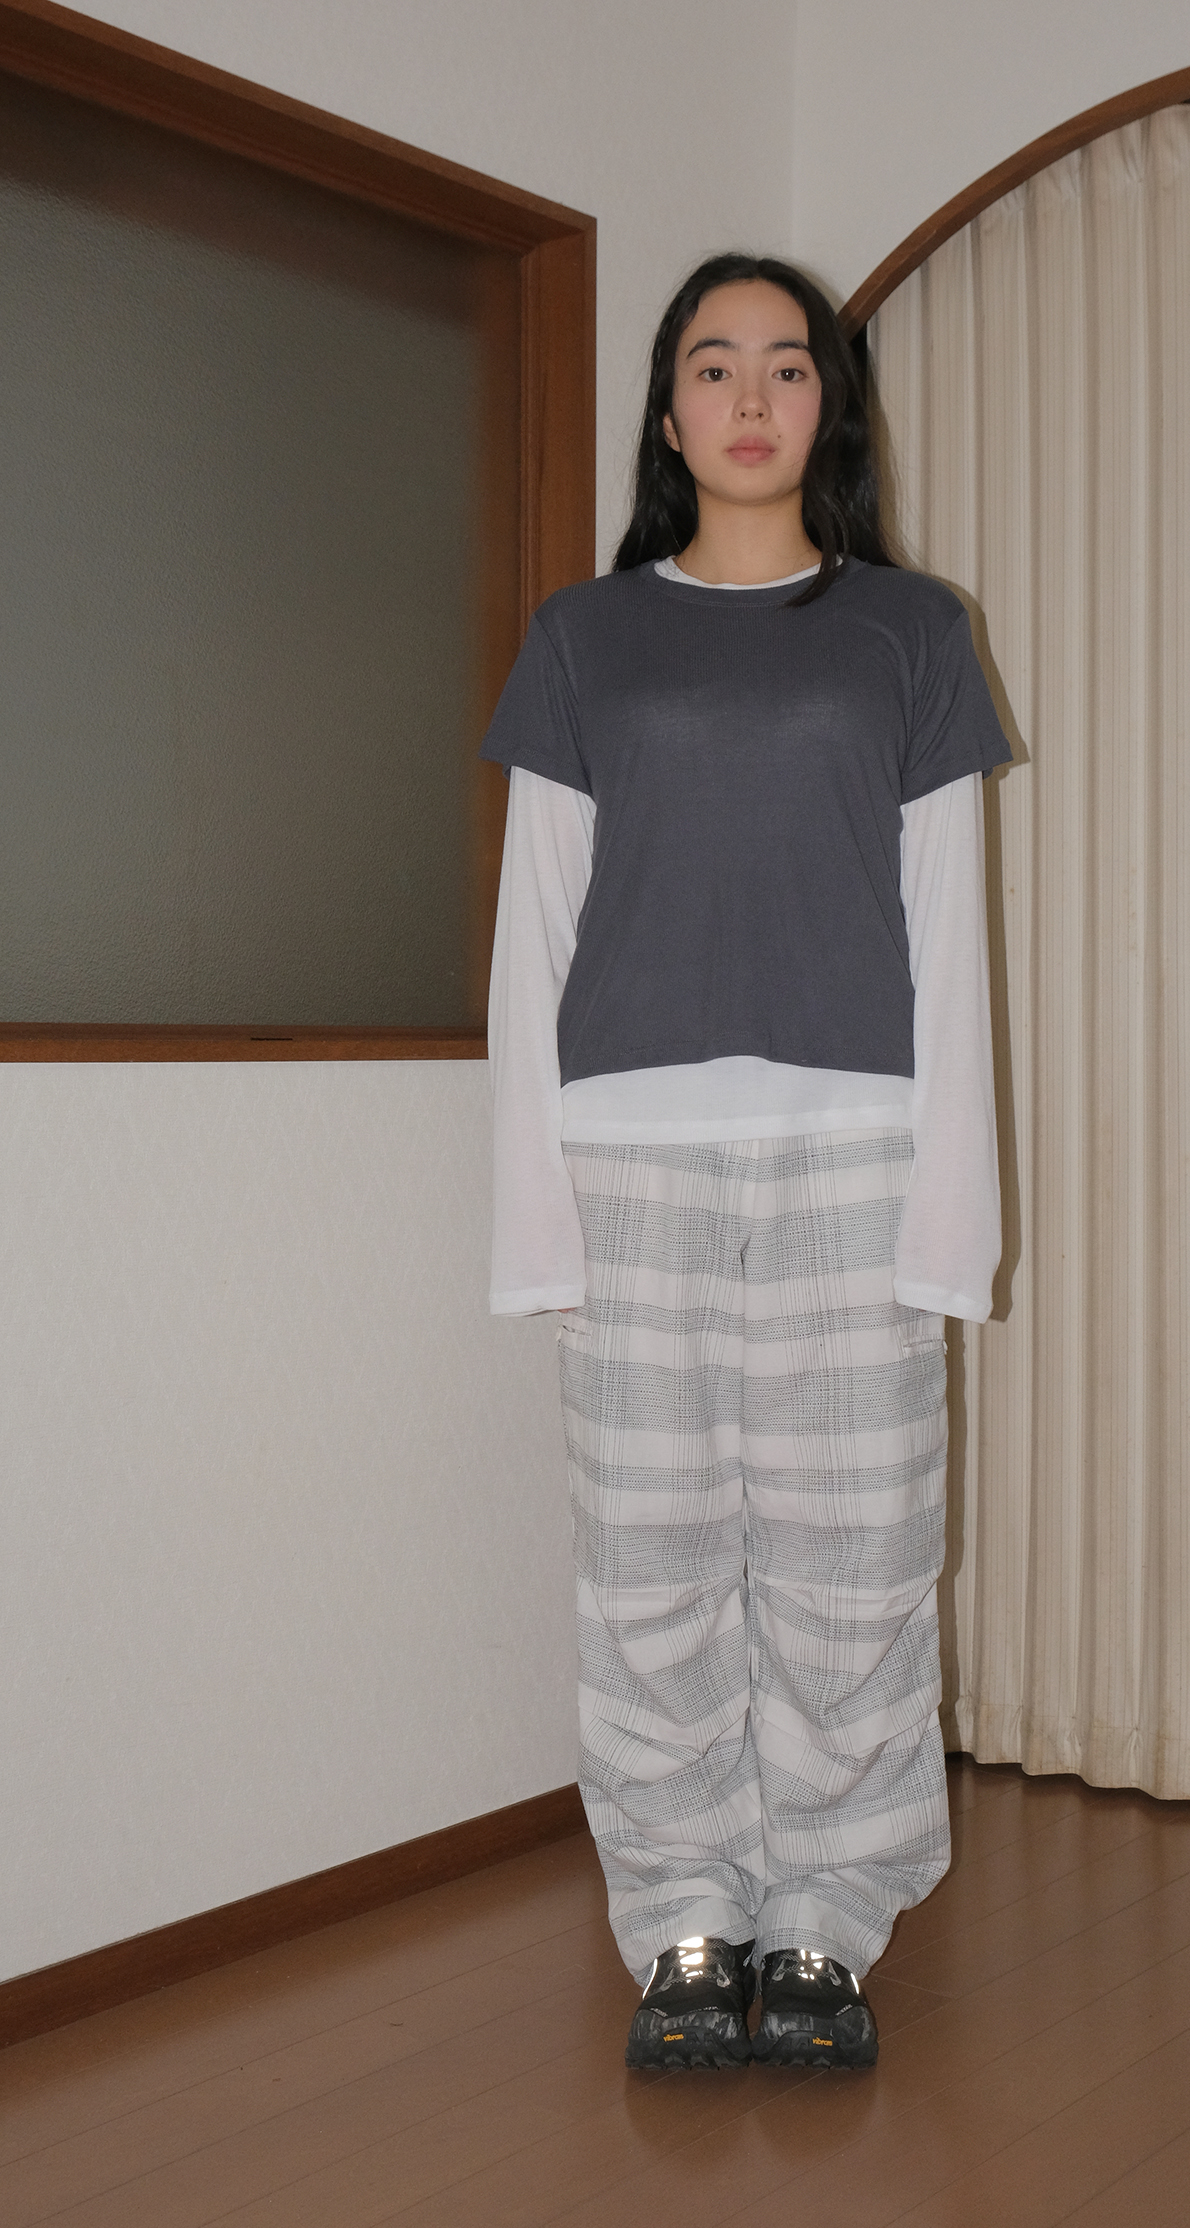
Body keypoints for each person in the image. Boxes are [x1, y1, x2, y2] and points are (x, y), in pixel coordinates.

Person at [481, 251, 1008, 2071]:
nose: (754, 395)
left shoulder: (913, 633)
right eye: (715, 365)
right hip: (627, 1166)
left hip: (856, 1158)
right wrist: (533, 1221)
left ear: (828, 407)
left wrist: (953, 1219)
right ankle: (687, 1914)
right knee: (649, 1563)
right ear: (669, 411)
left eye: (790, 364)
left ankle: (828, 1918)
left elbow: (951, 941)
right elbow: (533, 943)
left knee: (859, 1553)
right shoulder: (582, 638)